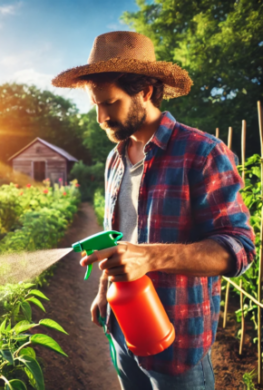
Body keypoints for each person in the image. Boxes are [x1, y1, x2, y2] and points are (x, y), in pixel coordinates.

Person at [51, 31, 256, 390]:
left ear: (144, 91)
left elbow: (239, 248)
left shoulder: (203, 152)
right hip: (122, 331)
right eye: (96, 105)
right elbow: (120, 240)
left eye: (110, 103)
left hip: (176, 345)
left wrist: (150, 258)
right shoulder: (114, 160)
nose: (101, 117)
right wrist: (103, 290)